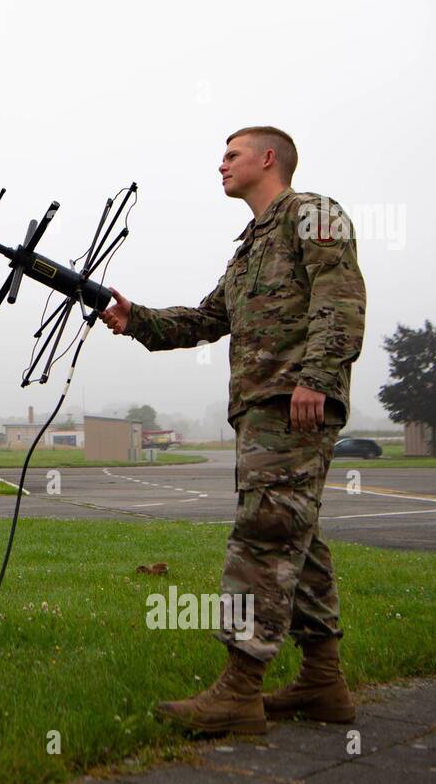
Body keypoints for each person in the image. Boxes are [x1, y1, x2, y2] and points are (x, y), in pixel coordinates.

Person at [101, 126, 366, 734]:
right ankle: (324, 685)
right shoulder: (250, 247)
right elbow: (206, 318)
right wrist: (134, 316)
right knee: (299, 542)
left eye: (231, 154)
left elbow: (342, 297)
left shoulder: (313, 215)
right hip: (262, 410)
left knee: (265, 536)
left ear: (267, 158)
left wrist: (317, 378)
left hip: (293, 404)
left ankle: (239, 691)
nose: (220, 165)